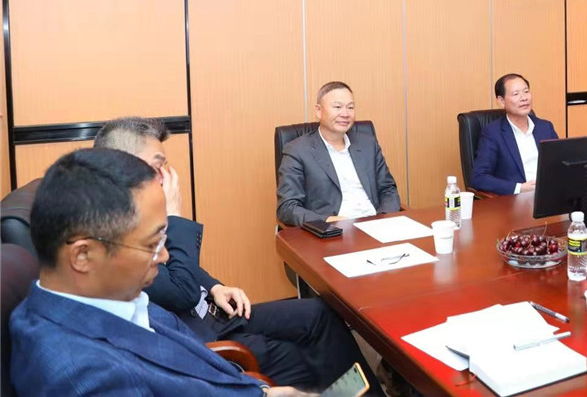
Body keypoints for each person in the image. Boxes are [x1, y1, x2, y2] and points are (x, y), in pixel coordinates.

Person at [94, 117, 380, 394]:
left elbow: (173, 266)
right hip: (203, 337)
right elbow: (180, 292)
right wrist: (175, 217)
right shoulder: (113, 236)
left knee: (320, 313)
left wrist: (214, 286)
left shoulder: (138, 212)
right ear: (122, 170)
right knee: (305, 358)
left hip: (216, 310)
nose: (168, 176)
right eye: (158, 166)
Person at [9, 148, 306, 396]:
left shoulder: (112, 295)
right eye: (152, 245)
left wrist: (262, 391)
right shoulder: (87, 378)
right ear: (83, 255)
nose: (164, 256)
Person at [277, 81, 401, 225]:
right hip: (334, 230)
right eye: (337, 107)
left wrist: (383, 218)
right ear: (318, 111)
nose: (345, 114)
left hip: (375, 223)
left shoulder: (368, 144)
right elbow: (287, 207)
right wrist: (326, 221)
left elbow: (388, 189)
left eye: (350, 107)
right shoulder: (298, 150)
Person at [471, 73, 560, 195]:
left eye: (526, 92)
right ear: (501, 101)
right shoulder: (492, 133)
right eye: (516, 94)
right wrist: (520, 188)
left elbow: (561, 164)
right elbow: (479, 178)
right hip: (516, 199)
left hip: (550, 194)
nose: (524, 98)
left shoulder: (545, 127)